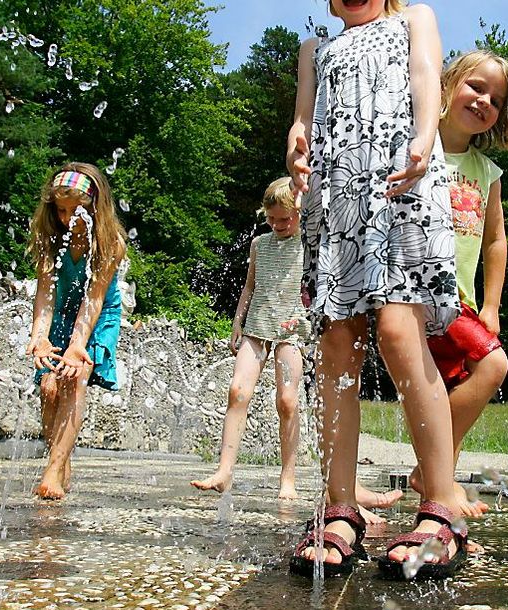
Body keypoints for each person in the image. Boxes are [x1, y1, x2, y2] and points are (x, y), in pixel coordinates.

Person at [287, 0, 466, 580]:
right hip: (338, 188)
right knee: (337, 346)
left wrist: (422, 138)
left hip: (400, 175)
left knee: (397, 331)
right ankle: (340, 510)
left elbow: (424, 79)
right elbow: (303, 120)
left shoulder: (415, 17)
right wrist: (296, 143)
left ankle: (441, 508)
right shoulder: (314, 49)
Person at [408, 51, 508, 523]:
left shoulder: (487, 172)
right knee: (493, 363)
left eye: (496, 99)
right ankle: (436, 479)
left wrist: (493, 304)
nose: (483, 101)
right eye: (476, 87)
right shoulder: (416, 146)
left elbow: (496, 240)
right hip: (410, 293)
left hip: (459, 300)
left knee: (459, 383)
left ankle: (436, 504)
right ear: (447, 84)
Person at [191, 177, 312, 500]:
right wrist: (237, 321)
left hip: (291, 330)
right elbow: (250, 285)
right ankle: (224, 470)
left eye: (285, 219)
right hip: (257, 324)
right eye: (271, 218)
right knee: (237, 391)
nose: (277, 225)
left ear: (299, 213)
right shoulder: (260, 244)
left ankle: (288, 477)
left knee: (287, 400)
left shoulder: (309, 242)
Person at [26, 162, 127, 500]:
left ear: (94, 207)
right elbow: (45, 294)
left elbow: (95, 297)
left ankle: (53, 470)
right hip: (61, 315)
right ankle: (59, 456)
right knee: (49, 388)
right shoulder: (48, 239)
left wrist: (77, 344)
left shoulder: (110, 243)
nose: (68, 218)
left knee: (75, 374)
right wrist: (39, 336)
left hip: (96, 318)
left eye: (77, 210)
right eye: (61, 210)